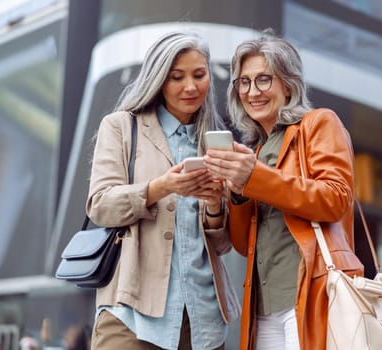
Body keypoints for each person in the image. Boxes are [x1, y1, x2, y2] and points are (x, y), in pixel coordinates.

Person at [204, 30, 364, 349]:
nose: (253, 92)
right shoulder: (255, 151)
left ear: (288, 84)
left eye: (264, 79)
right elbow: (242, 244)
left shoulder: (318, 124)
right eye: (244, 82)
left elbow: (335, 199)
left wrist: (255, 178)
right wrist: (234, 193)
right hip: (264, 309)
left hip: (312, 295)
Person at [86, 30, 240, 350]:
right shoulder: (121, 127)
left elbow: (223, 245)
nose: (191, 86)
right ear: (158, 80)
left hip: (202, 322)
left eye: (199, 75)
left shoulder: (216, 141)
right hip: (131, 314)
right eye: (176, 77)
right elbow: (100, 205)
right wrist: (160, 187)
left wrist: (214, 205)